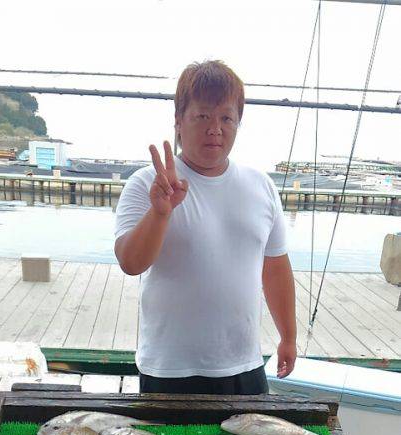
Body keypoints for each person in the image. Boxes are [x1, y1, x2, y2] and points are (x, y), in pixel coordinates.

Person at [114, 60, 297, 394]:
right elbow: (131, 262)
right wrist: (160, 213)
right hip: (169, 368)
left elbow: (275, 266)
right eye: (202, 116)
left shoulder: (261, 186)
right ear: (179, 121)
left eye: (226, 117)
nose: (216, 128)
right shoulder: (148, 183)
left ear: (238, 123)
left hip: (244, 364)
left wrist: (288, 336)